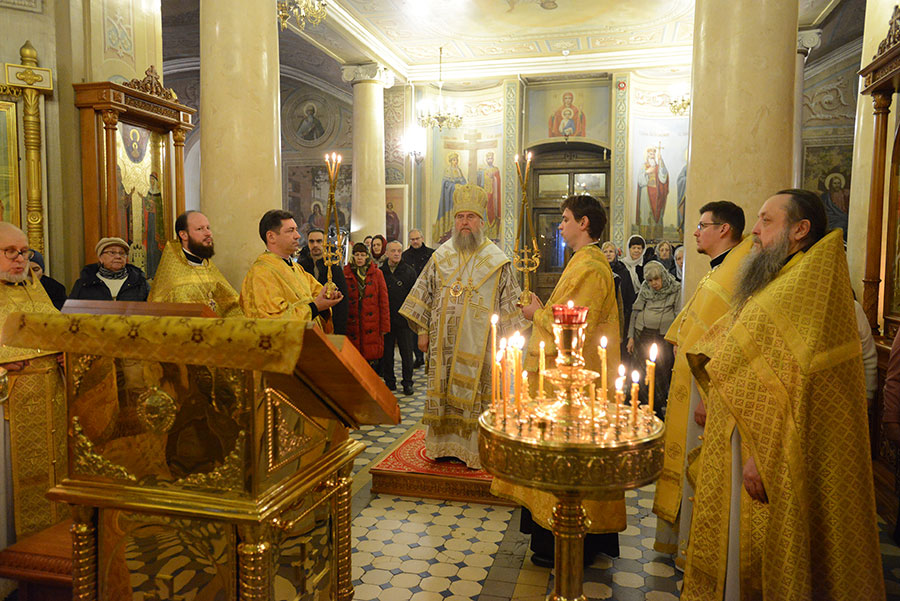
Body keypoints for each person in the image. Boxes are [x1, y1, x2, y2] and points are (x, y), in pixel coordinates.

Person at [682, 190, 885, 600]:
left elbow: (802, 387)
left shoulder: (809, 293)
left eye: (766, 221)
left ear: (800, 229)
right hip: (740, 438)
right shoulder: (782, 280)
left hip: (765, 452)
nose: (754, 231)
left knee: (757, 553)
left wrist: (765, 453)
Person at [496, 195, 623, 567]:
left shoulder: (590, 266)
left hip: (575, 383)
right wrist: (544, 309)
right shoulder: (585, 262)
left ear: (584, 223)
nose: (561, 225)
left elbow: (574, 322)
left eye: (566, 219)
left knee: (569, 457)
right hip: (575, 377)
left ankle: (569, 540)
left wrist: (538, 314)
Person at [400, 184, 526, 468]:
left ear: (482, 222)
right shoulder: (440, 256)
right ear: (454, 222)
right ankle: (443, 446)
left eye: (471, 217)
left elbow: (510, 304)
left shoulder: (497, 260)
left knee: (479, 394)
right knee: (443, 391)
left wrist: (508, 345)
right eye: (460, 217)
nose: (465, 222)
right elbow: (424, 294)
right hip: (442, 343)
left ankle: (475, 450)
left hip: (483, 346)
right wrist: (422, 331)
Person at [651, 200, 748, 564]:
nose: (694, 231)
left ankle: (697, 552)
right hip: (692, 385)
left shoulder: (737, 273)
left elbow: (733, 341)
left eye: (702, 225)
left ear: (723, 229)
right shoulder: (717, 270)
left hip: (707, 390)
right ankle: (682, 542)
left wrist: (714, 395)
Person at [0, 223, 67, 547]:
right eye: (9, 252)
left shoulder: (31, 285)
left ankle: (46, 555)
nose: (19, 259)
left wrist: (67, 352)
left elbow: (56, 329)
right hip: (7, 410)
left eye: (23, 252)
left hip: (48, 402)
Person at [239, 209, 343, 325]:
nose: (298, 236)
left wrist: (327, 298)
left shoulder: (297, 268)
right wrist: (315, 307)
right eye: (290, 231)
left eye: (296, 230)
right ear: (271, 237)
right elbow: (271, 320)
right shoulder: (261, 273)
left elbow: (317, 295)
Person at [148, 210, 241, 316]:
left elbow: (233, 306)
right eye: (200, 229)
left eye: (208, 228)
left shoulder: (208, 266)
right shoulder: (173, 275)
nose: (208, 233)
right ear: (183, 235)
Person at [626, 260, 680, 415]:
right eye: (650, 281)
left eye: (656, 279)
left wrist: (676, 340)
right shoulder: (645, 288)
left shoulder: (675, 288)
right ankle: (639, 405)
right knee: (641, 371)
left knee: (660, 372)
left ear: (663, 276)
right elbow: (635, 312)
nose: (654, 284)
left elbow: (678, 314)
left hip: (663, 337)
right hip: (643, 334)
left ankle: (656, 407)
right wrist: (631, 337)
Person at [343, 242, 390, 368]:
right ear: (352, 256)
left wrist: (385, 326)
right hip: (353, 322)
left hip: (372, 322)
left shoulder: (377, 273)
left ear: (367, 256)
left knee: (370, 360)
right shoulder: (346, 273)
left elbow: (384, 301)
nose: (359, 258)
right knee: (353, 360)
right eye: (357, 255)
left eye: (362, 255)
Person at [380, 240, 417, 394]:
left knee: (407, 353)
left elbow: (415, 296)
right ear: (387, 253)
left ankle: (407, 382)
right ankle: (390, 381)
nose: (396, 254)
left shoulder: (409, 271)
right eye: (393, 251)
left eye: (399, 251)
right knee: (387, 353)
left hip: (404, 319)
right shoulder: (381, 272)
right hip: (387, 318)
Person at [297, 228, 349, 335]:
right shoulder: (300, 266)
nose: (315, 245)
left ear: (325, 243)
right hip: (307, 320)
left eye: (319, 241)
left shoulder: (334, 267)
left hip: (329, 321)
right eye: (312, 241)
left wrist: (339, 330)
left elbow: (342, 302)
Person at [70, 237, 150, 301]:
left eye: (122, 253)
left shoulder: (140, 282)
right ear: (100, 257)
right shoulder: (84, 283)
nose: (118, 257)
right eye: (112, 252)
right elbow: (71, 314)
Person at [403, 229, 434, 368]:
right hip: (413, 296)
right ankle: (418, 356)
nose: (415, 241)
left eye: (417, 238)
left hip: (430, 295)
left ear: (422, 238)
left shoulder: (432, 254)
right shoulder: (405, 256)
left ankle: (431, 356)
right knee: (415, 327)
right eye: (412, 239)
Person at [601, 241, 636, 344]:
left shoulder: (624, 272)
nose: (608, 254)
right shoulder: (599, 270)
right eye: (605, 251)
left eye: (611, 251)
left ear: (616, 254)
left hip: (621, 313)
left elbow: (630, 296)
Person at [637, 146, 669, 240]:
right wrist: (647, 172)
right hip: (645, 194)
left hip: (657, 195)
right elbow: (640, 180)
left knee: (657, 216)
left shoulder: (659, 166)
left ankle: (656, 238)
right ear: (647, 155)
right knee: (645, 215)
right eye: (650, 154)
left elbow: (663, 177)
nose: (652, 156)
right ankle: (644, 238)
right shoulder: (643, 166)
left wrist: (661, 161)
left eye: (653, 154)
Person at [433, 153, 467, 243]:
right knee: (450, 215)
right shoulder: (448, 170)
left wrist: (462, 185)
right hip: (449, 199)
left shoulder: (459, 170)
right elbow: (446, 184)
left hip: (458, 199)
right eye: (454, 160)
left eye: (457, 160)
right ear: (451, 161)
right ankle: (447, 234)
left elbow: (464, 181)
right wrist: (454, 186)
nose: (456, 162)